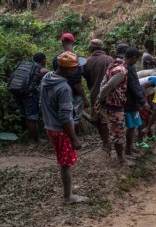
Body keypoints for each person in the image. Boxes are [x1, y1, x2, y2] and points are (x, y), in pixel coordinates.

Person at [40, 52, 87, 203]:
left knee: (63, 159)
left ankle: (69, 187)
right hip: (61, 130)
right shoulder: (64, 88)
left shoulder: (47, 78)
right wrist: (74, 138)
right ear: (66, 70)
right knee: (65, 163)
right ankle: (68, 196)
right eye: (74, 68)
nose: (76, 70)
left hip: (49, 126)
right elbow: (66, 117)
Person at [97, 44, 131, 165]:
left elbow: (104, 82)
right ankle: (121, 159)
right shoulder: (121, 70)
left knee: (116, 131)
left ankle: (119, 156)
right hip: (115, 105)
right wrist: (101, 97)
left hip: (111, 104)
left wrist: (101, 98)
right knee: (118, 133)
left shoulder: (113, 65)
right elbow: (109, 85)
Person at [8, 53, 48, 143]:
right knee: (32, 117)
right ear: (43, 61)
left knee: (26, 116)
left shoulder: (23, 64)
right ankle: (36, 140)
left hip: (16, 92)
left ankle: (31, 138)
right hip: (28, 95)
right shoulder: (41, 69)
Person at [82, 39, 113, 150]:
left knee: (98, 119)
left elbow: (85, 77)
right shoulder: (109, 59)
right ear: (101, 48)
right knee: (108, 118)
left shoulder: (87, 61)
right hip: (110, 94)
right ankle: (110, 141)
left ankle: (105, 142)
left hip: (95, 94)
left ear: (91, 48)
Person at [52, 33, 89, 124]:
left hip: (59, 91)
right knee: (74, 119)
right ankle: (72, 137)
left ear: (62, 42)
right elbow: (77, 83)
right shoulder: (74, 59)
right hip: (73, 94)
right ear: (73, 42)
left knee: (63, 116)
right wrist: (84, 98)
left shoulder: (56, 58)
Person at [123, 47, 147, 157]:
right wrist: (143, 102)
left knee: (132, 126)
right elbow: (134, 86)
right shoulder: (130, 68)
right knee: (131, 126)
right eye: (137, 59)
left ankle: (130, 147)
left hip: (127, 100)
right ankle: (128, 149)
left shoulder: (123, 65)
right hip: (131, 103)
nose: (136, 61)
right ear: (133, 58)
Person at [138, 76, 156, 147]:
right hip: (137, 95)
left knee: (148, 116)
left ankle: (150, 136)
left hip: (142, 94)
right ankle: (139, 141)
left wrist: (151, 109)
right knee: (143, 118)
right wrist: (144, 102)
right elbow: (142, 86)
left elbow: (150, 96)